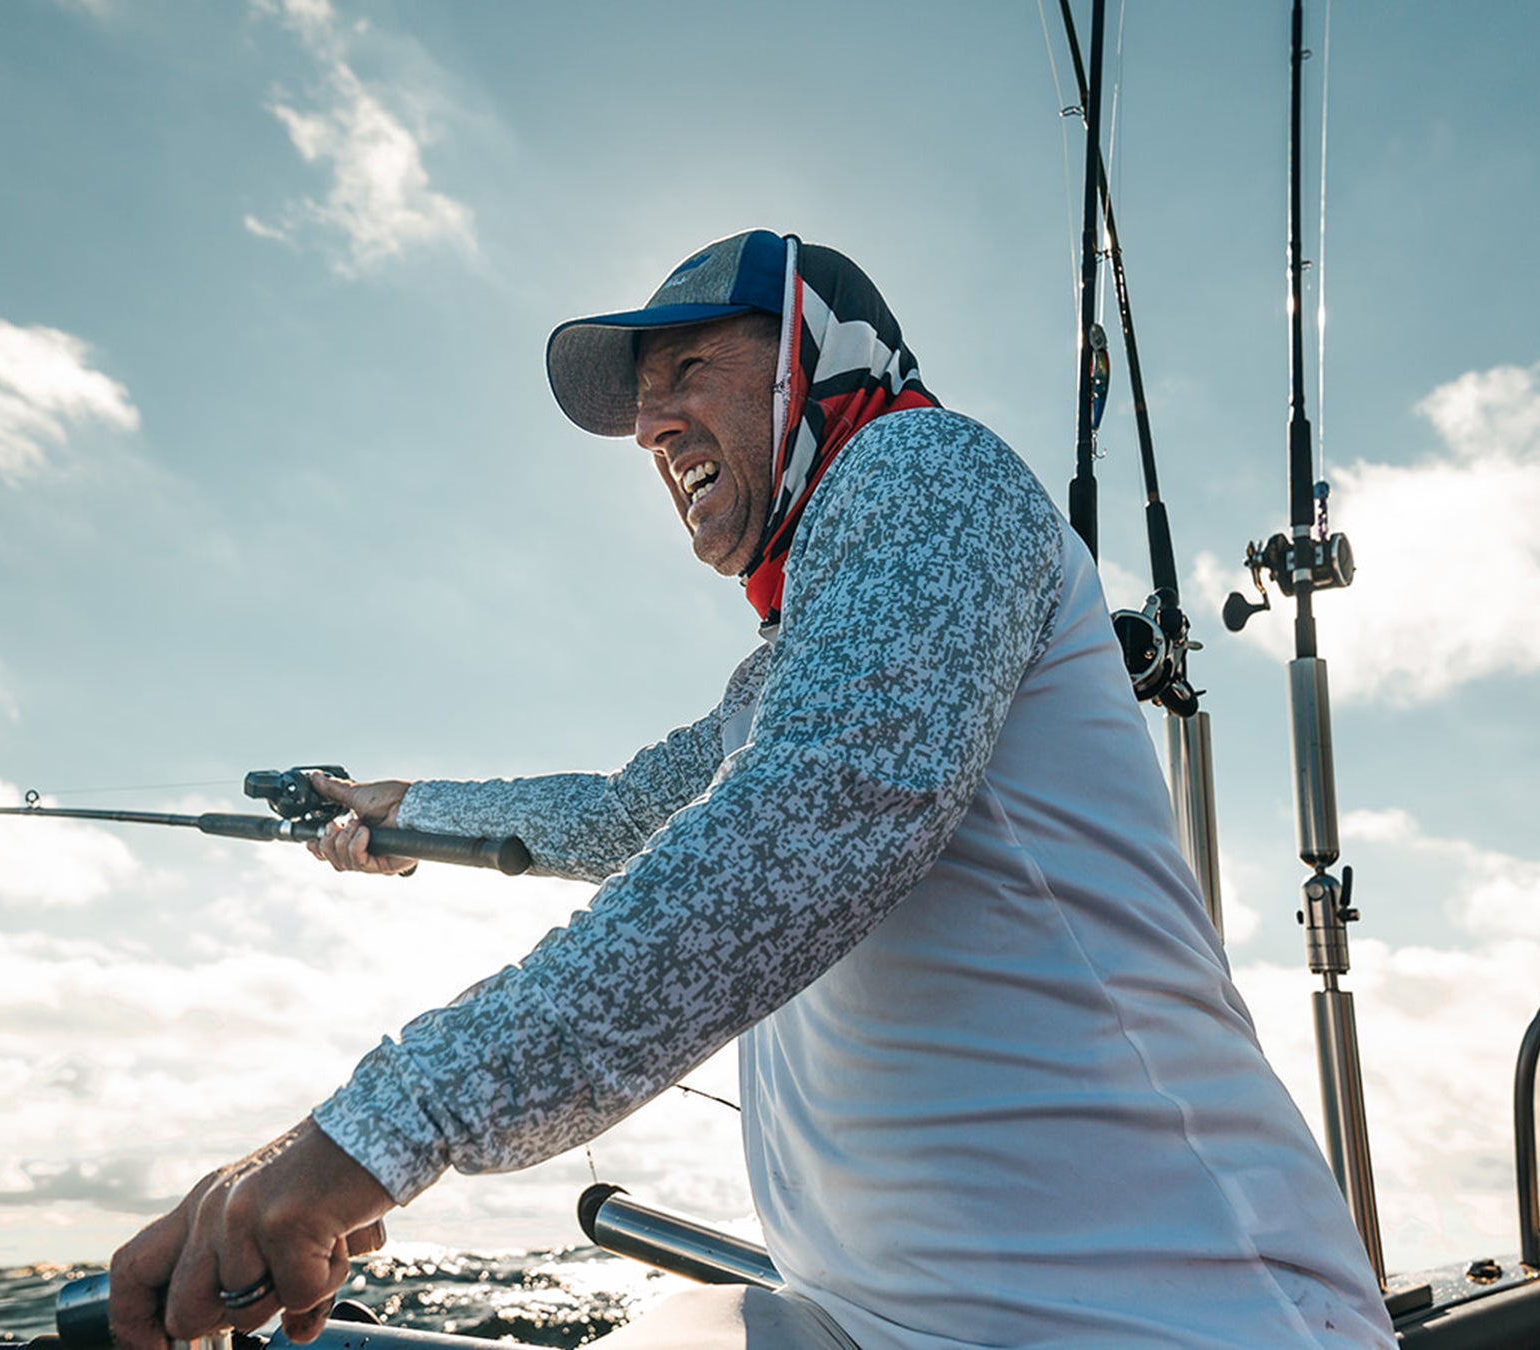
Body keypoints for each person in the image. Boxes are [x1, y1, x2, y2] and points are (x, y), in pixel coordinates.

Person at [108, 230, 1397, 1350]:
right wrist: (404, 813)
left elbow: (810, 819)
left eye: (688, 372)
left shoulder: (930, 474)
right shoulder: (774, 680)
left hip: (1173, 1319)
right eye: (642, 404)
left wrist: (381, 1133)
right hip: (879, 1319)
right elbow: (620, 814)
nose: (653, 424)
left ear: (813, 359)